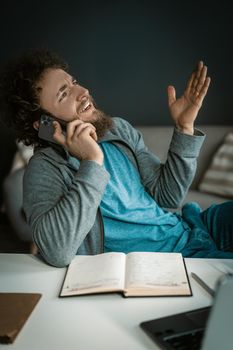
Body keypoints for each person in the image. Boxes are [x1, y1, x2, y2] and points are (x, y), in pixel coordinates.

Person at [0, 48, 232, 268]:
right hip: (170, 259)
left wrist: (184, 127)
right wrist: (91, 162)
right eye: (64, 94)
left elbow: (167, 196)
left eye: (74, 83)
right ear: (44, 125)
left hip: (191, 227)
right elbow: (57, 251)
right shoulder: (44, 169)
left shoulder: (117, 129)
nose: (82, 92)